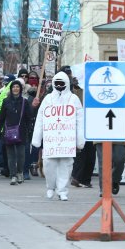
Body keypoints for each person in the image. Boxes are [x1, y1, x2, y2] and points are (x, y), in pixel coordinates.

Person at [31, 71, 85, 201]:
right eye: (57, 83)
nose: (60, 85)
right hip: (51, 141)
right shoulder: (48, 99)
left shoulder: (74, 99)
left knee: (66, 166)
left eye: (62, 83)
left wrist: (80, 139)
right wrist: (37, 138)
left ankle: (62, 190)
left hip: (67, 140)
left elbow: (80, 120)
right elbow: (40, 118)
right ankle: (50, 187)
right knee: (49, 164)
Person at [0, 78, 32, 185]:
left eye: (17, 87)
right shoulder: (6, 101)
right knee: (10, 155)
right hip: (8, 131)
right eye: (13, 87)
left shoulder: (24, 102)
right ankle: (13, 175)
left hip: (21, 131)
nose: (15, 89)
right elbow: (1, 118)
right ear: (11, 89)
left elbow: (29, 117)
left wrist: (29, 129)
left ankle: (20, 172)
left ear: (20, 89)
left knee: (21, 155)